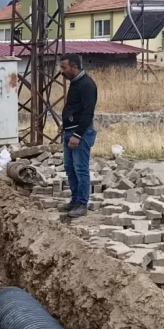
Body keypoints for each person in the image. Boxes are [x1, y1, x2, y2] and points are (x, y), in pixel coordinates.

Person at [59, 54, 98, 219]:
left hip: (80, 134)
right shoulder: (75, 84)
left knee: (81, 169)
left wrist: (77, 134)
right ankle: (75, 200)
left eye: (64, 68)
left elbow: (88, 113)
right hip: (70, 131)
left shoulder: (87, 85)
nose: (62, 72)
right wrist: (65, 125)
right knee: (70, 168)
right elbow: (73, 108)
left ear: (74, 67)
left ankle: (82, 203)